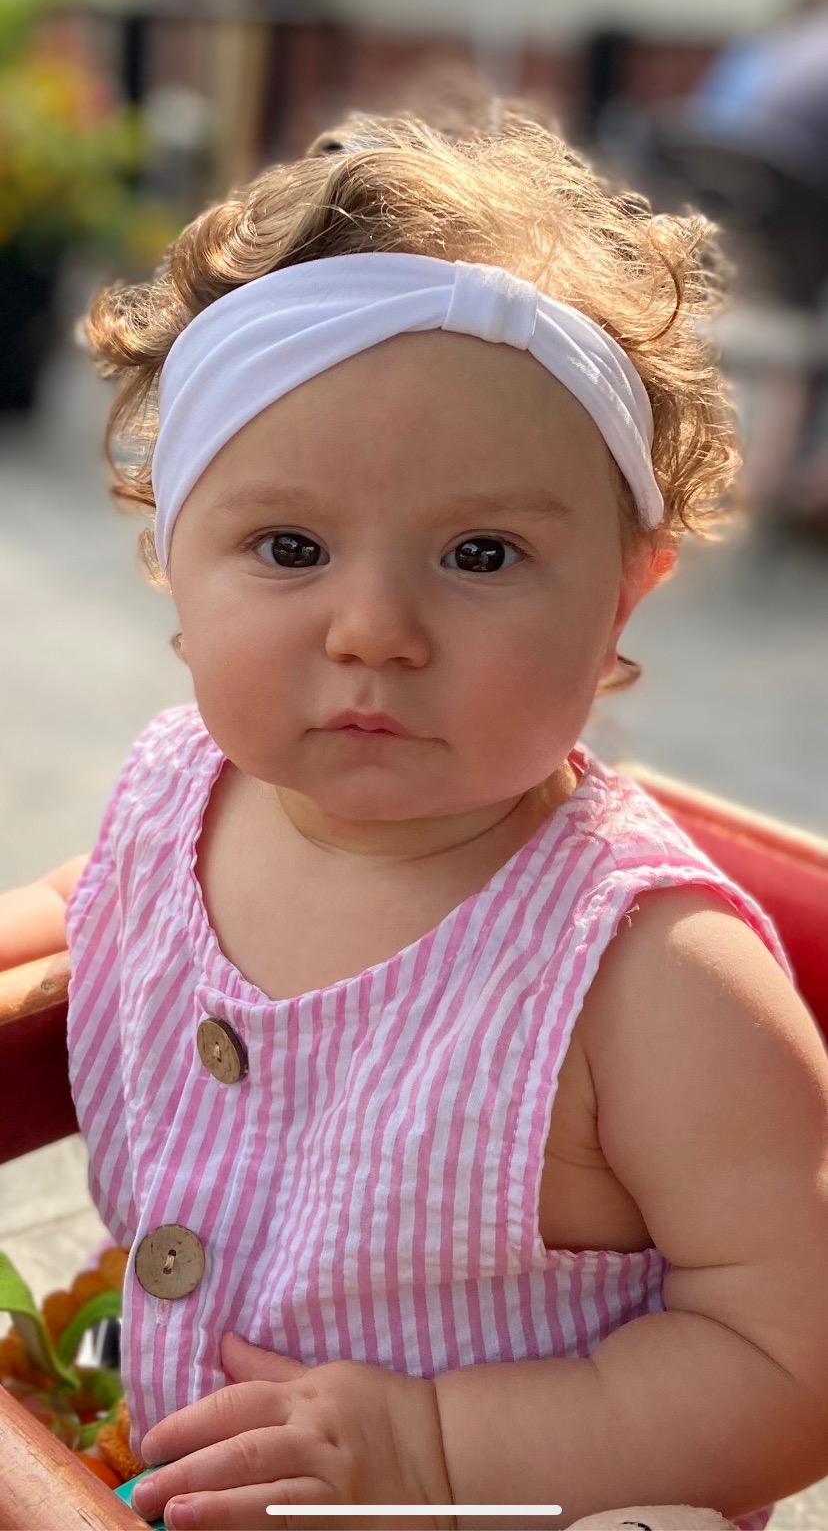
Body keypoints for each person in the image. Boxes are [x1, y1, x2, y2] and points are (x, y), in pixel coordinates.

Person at [2, 108, 828, 1531]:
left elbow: (789, 1359)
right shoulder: (181, 786)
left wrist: (437, 1452)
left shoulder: (651, 978)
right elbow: (103, 903)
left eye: (481, 553)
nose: (375, 628)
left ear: (627, 592)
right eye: (291, 547)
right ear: (172, 558)